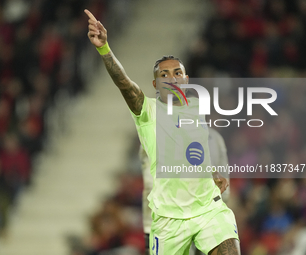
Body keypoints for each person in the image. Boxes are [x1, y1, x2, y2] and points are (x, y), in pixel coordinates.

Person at [85, 9, 240, 255]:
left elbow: (193, 149)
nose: (171, 78)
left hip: (209, 209)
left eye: (177, 72)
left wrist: (211, 174)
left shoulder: (198, 109)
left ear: (186, 80)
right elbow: (123, 82)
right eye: (164, 74)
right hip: (168, 218)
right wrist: (104, 48)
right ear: (155, 84)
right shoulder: (147, 110)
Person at [140, 127, 230, 255]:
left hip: (195, 216)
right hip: (178, 218)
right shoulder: (156, 136)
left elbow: (225, 186)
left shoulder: (215, 138)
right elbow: (151, 187)